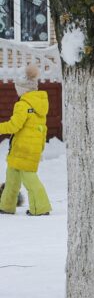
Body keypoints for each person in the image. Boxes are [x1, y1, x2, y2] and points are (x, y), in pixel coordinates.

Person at [0, 65, 52, 216]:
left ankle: (41, 208)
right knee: (12, 177)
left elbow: (14, 125)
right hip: (30, 147)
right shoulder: (39, 105)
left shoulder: (23, 104)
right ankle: (6, 206)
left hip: (22, 148)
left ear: (23, 89)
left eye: (18, 88)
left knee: (29, 179)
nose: (17, 91)